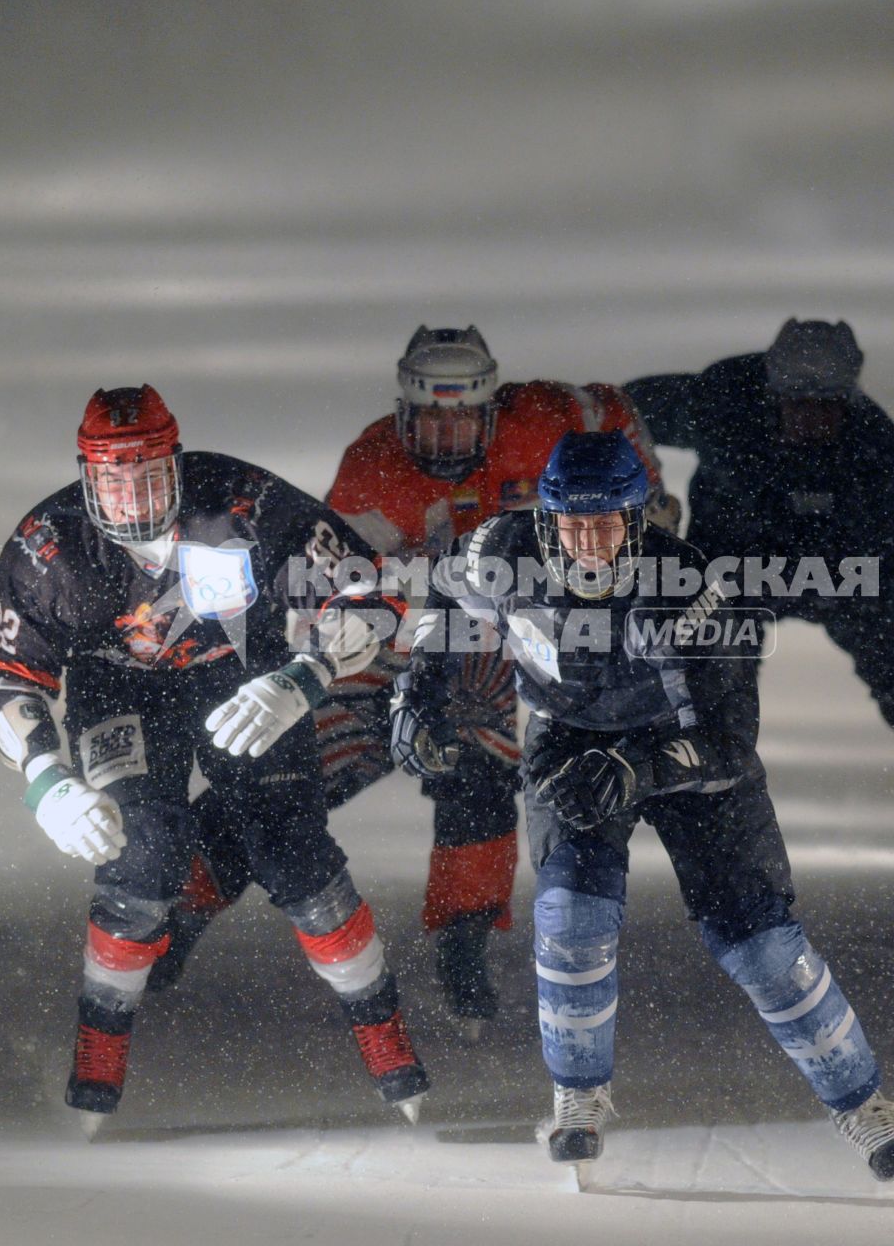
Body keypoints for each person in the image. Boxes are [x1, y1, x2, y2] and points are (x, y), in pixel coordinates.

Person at [391, 430, 894, 1187]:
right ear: (543, 521)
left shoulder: (694, 587)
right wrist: (420, 692)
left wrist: (638, 767)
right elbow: (445, 589)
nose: (588, 546)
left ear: (639, 522)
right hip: (571, 741)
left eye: (606, 525)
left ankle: (861, 1101)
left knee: (760, 942)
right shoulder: (501, 551)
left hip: (681, 750)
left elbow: (731, 744)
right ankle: (577, 1095)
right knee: (571, 921)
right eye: (573, 526)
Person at [153, 326, 679, 1040]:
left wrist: (648, 490)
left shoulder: (549, 419)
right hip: (394, 633)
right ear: (403, 411)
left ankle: (463, 940)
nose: (446, 436)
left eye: (463, 417)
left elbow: (607, 412)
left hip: (493, 632)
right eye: (430, 418)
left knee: (479, 743)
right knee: (285, 773)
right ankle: (181, 908)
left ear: (495, 409)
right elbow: (335, 589)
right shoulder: (372, 468)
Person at [0, 384, 429, 1131]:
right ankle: (97, 1052)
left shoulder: (241, 501)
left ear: (178, 464)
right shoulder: (47, 544)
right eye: (111, 480)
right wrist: (48, 782)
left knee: (296, 852)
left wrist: (304, 677)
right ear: (86, 477)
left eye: (147, 474)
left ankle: (387, 1041)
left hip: (244, 674)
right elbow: (2, 678)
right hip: (117, 687)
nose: (129, 499)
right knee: (141, 854)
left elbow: (371, 591)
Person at [626, 319, 894, 896]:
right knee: (707, 703)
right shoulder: (726, 401)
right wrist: (643, 499)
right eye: (795, 404)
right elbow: (615, 415)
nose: (809, 419)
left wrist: (864, 599)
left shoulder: (879, 450)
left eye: (825, 405)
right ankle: (716, 858)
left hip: (853, 580)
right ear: (771, 394)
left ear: (848, 397)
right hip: (736, 577)